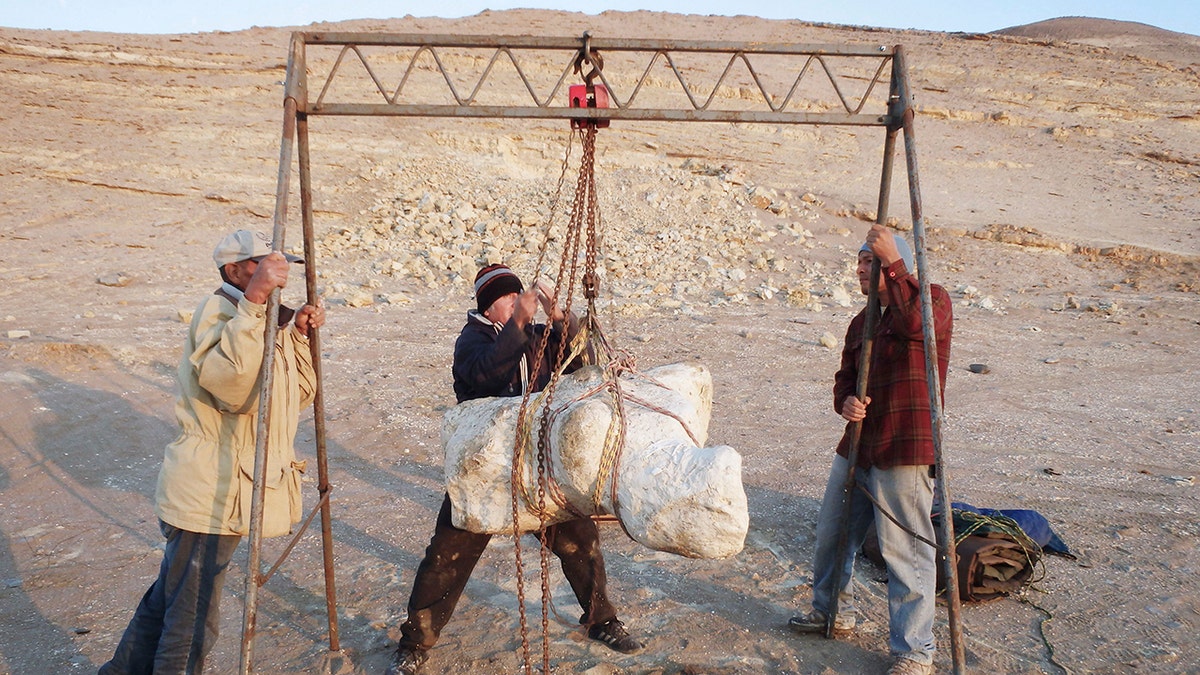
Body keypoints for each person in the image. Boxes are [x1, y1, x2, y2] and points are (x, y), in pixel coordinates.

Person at [386, 263, 642, 675]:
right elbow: (485, 374)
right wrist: (520, 322)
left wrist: (561, 319)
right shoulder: (472, 341)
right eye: (509, 298)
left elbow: (584, 362)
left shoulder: (536, 335)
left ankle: (602, 620)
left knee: (580, 539)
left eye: (519, 296)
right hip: (485, 468)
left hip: (538, 465)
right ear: (489, 307)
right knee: (447, 556)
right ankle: (415, 642)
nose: (520, 302)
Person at [100, 229, 325, 674]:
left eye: (277, 267)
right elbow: (233, 389)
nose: (277, 276)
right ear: (235, 270)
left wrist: (297, 336)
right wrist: (257, 302)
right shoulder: (221, 312)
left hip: (229, 484)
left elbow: (293, 398)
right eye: (262, 266)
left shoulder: (262, 320)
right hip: (212, 488)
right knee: (193, 619)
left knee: (171, 598)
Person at [788, 224, 952, 675]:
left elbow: (915, 326)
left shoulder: (932, 299)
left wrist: (893, 263)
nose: (860, 269)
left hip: (904, 446)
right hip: (859, 446)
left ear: (891, 263)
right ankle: (832, 613)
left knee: (905, 551)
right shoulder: (861, 321)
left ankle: (914, 651)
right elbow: (844, 377)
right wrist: (845, 402)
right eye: (859, 261)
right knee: (833, 535)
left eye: (868, 260)